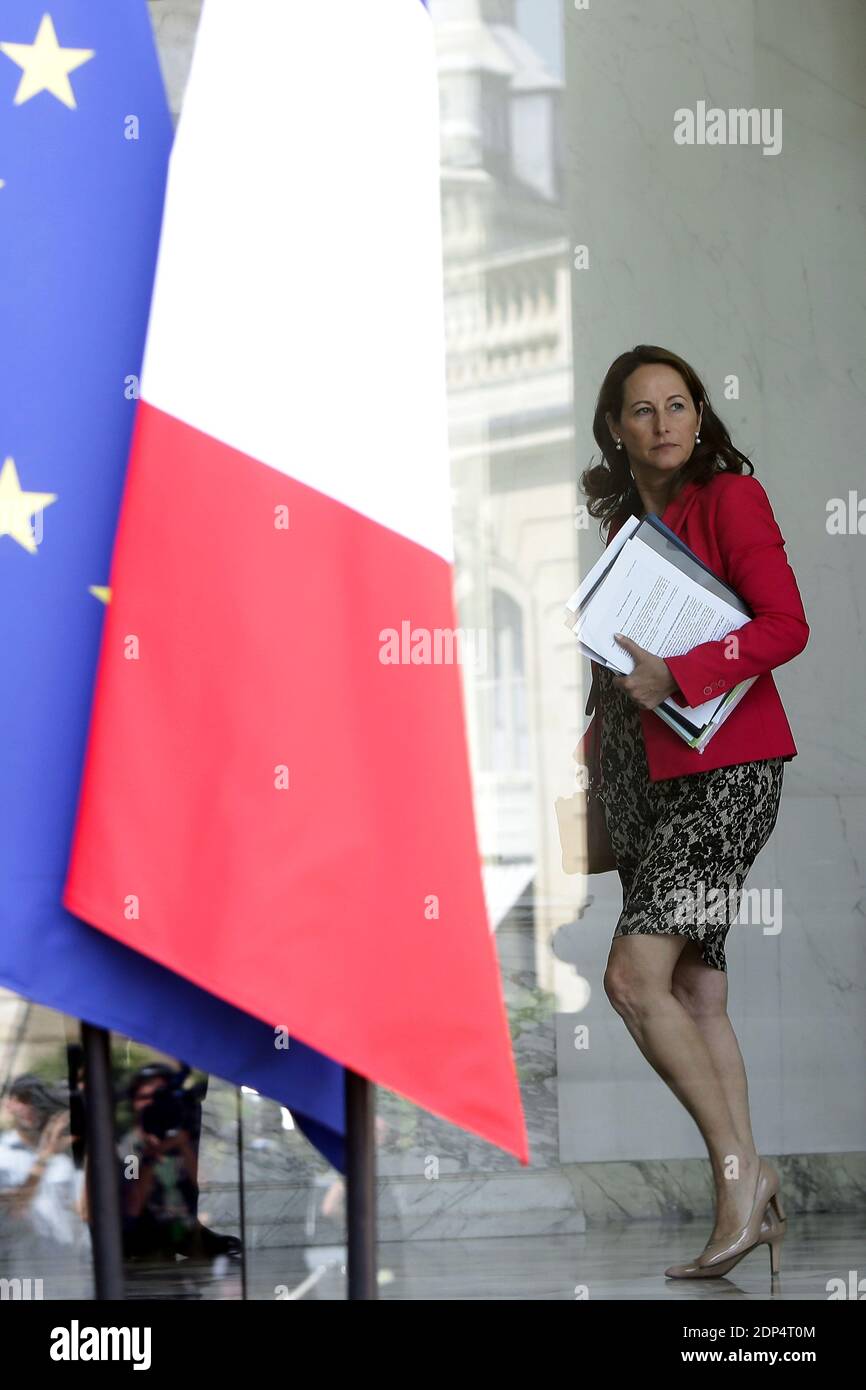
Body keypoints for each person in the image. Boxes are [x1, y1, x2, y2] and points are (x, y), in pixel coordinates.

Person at [574, 344, 809, 1280]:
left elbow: (786, 624)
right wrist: (593, 747)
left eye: (680, 406)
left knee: (634, 980)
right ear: (615, 428)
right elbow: (618, 650)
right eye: (644, 410)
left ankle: (742, 1175)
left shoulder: (731, 501)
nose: (665, 423)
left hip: (725, 771)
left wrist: (683, 673)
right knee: (696, 991)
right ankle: (746, 1198)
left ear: (701, 417)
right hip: (641, 775)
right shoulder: (629, 518)